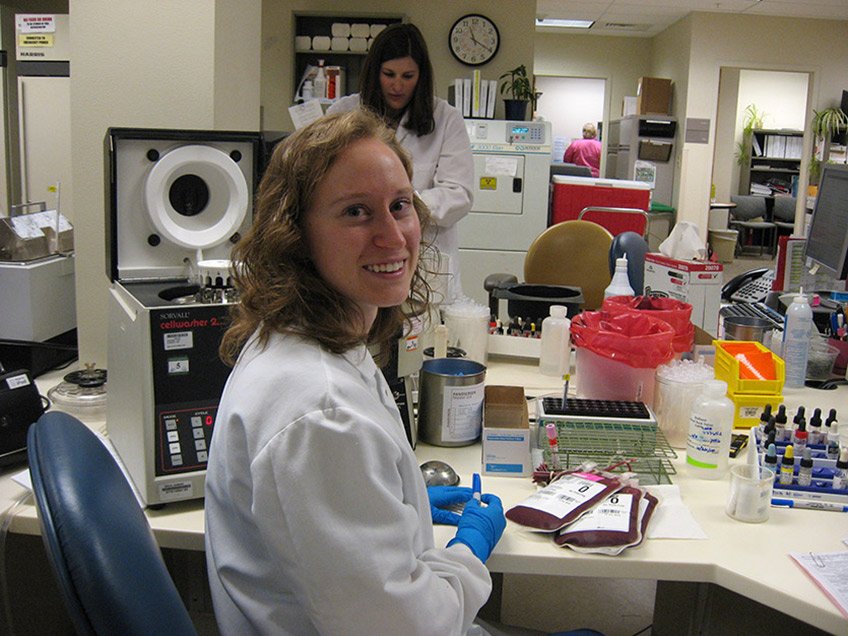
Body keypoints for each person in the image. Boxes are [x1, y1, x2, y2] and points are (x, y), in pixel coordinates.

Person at [204, 109, 506, 636]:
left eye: (400, 205)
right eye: (356, 213)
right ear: (294, 235)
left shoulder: (311, 338)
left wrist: (401, 504)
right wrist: (466, 555)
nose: (393, 237)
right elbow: (410, 630)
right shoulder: (321, 415)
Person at [327, 23, 473, 305]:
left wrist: (401, 208)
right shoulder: (343, 113)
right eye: (389, 74)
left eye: (408, 76)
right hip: (358, 249)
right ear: (374, 73)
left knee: (422, 340)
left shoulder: (445, 119)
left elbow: (459, 195)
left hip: (426, 257)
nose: (397, 85)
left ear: (421, 76)